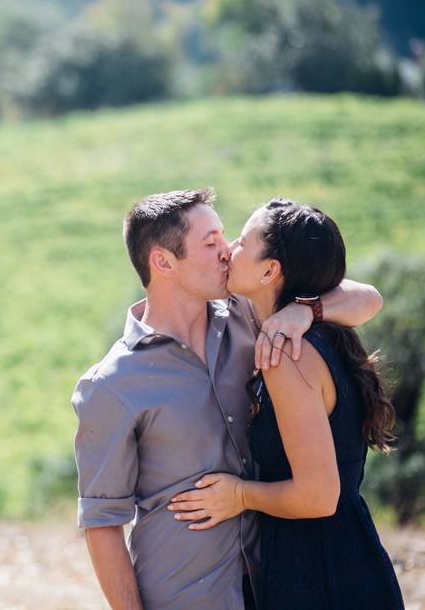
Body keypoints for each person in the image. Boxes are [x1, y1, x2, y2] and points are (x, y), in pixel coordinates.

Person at [72, 189, 384, 609]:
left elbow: (368, 298)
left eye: (225, 236)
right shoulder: (111, 384)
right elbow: (102, 524)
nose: (227, 251)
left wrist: (305, 310)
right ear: (163, 262)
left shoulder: (250, 317)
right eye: (211, 242)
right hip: (186, 597)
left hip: (278, 585)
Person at [167, 198, 404, 608]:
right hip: (351, 555)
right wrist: (307, 309)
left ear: (270, 270)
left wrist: (239, 495)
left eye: (242, 242)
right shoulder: (318, 330)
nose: (229, 248)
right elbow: (367, 297)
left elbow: (318, 496)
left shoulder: (286, 355)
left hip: (316, 574)